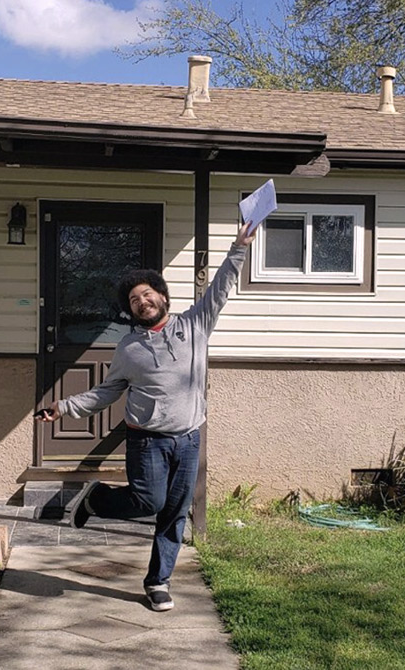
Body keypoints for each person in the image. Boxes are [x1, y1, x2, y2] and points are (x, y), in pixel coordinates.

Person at [36, 220, 256, 612]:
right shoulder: (129, 348)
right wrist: (64, 407)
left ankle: (158, 581)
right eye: (134, 299)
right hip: (147, 440)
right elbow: (108, 391)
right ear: (131, 310)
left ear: (163, 297)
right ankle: (96, 500)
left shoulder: (195, 325)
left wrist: (239, 246)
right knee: (148, 501)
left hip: (188, 438)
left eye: (147, 293)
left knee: (174, 512)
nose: (142, 301)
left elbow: (221, 287)